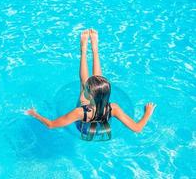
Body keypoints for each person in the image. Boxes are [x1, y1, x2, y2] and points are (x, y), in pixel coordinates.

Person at [27, 29, 157, 141]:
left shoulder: (79, 112)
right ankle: (95, 50)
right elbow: (137, 128)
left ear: (89, 95)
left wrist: (34, 114)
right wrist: (147, 113)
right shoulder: (114, 108)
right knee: (96, 81)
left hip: (84, 129)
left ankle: (83, 50)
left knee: (84, 83)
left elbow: (51, 125)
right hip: (101, 123)